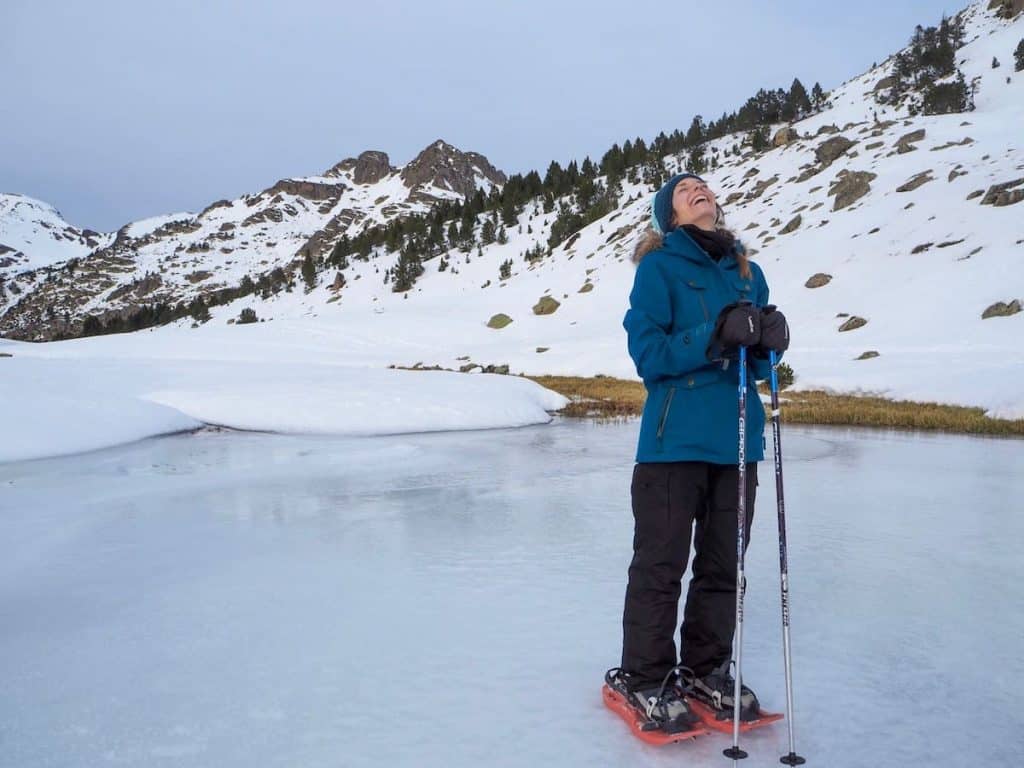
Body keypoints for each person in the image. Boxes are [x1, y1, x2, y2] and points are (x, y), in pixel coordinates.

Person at [604, 172, 789, 734]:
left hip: (737, 440)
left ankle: (707, 669)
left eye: (704, 185)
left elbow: (755, 366)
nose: (699, 190)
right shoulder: (658, 268)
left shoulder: (747, 273)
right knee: (661, 564)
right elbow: (649, 354)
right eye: (685, 190)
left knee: (723, 565)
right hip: (673, 441)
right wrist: (716, 332)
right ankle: (644, 677)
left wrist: (768, 342)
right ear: (671, 215)